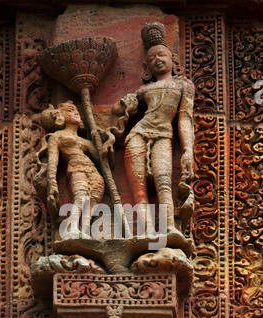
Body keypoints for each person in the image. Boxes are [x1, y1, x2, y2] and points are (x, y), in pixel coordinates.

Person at [111, 22, 194, 253]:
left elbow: (185, 119)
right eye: (151, 58)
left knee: (164, 181)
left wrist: (188, 149)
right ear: (147, 67)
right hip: (138, 135)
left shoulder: (183, 85)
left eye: (161, 55)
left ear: (172, 59)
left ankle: (168, 227)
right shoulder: (144, 90)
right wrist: (122, 107)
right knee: (139, 189)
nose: (157, 60)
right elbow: (119, 112)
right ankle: (146, 230)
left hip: (164, 135)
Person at [34, 101, 104, 237]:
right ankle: (71, 229)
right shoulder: (57, 136)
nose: (76, 113)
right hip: (76, 169)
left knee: (93, 201)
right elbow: (53, 161)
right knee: (81, 198)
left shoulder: (85, 142)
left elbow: (101, 158)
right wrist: (52, 181)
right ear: (61, 115)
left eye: (76, 110)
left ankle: (84, 232)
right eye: (71, 110)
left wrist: (105, 140)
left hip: (93, 171)